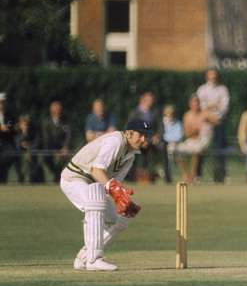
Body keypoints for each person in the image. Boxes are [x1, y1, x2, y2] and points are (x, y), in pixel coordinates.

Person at [60, 119, 148, 271]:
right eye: (140, 135)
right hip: (74, 178)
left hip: (94, 183)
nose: (144, 140)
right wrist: (115, 192)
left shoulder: (131, 156)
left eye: (146, 136)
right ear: (128, 133)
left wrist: (124, 200)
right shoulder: (115, 141)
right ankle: (94, 260)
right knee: (95, 203)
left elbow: (112, 183)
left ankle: (83, 258)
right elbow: (96, 170)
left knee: (119, 221)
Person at [196, 68, 229, 183]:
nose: (213, 78)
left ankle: (220, 176)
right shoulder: (202, 89)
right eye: (211, 75)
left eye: (214, 75)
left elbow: (224, 107)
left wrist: (215, 115)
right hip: (205, 123)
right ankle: (198, 175)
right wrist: (212, 111)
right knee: (201, 148)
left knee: (219, 149)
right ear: (207, 76)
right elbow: (201, 107)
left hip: (219, 123)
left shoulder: (222, 89)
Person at [176, 95, 218, 183]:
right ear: (190, 104)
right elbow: (187, 134)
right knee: (178, 151)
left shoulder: (205, 113)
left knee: (196, 150)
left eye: (197, 102)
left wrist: (209, 119)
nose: (196, 104)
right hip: (191, 140)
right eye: (193, 102)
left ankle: (194, 175)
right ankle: (186, 175)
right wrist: (195, 130)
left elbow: (217, 121)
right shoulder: (187, 116)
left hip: (203, 141)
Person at [128, 92, 162, 182]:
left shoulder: (155, 112)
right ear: (142, 100)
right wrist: (142, 140)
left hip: (152, 140)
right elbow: (131, 127)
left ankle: (157, 175)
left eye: (152, 100)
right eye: (149, 100)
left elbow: (160, 127)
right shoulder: (134, 113)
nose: (151, 102)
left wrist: (157, 136)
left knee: (162, 147)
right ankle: (134, 176)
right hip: (138, 140)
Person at [42, 100, 71, 183]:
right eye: (57, 110)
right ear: (52, 111)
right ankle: (56, 177)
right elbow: (46, 139)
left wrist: (65, 148)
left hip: (63, 149)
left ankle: (61, 179)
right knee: (47, 159)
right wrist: (55, 152)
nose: (59, 112)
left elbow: (68, 136)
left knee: (68, 158)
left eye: (60, 110)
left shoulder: (65, 121)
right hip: (50, 149)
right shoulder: (46, 123)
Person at [15, 115, 44, 184]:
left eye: (27, 124)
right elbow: (16, 143)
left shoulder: (33, 131)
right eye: (23, 124)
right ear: (20, 124)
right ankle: (22, 178)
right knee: (23, 159)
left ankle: (30, 179)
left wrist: (29, 149)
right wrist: (24, 133)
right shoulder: (17, 131)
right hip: (19, 153)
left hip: (32, 152)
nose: (26, 126)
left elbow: (37, 142)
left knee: (31, 159)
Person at [161, 105, 183, 184]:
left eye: (172, 113)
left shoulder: (178, 123)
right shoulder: (162, 123)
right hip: (166, 144)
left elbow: (179, 135)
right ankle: (168, 174)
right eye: (168, 113)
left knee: (174, 150)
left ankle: (183, 173)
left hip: (176, 144)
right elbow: (163, 135)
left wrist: (173, 140)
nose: (170, 115)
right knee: (170, 150)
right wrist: (170, 140)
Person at [0, 92, 18, 184]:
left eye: (3, 102)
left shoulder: (10, 116)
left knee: (9, 155)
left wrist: (9, 129)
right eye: (0, 102)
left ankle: (3, 180)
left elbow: (14, 130)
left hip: (7, 144)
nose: (2, 105)